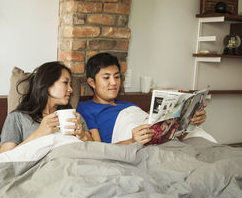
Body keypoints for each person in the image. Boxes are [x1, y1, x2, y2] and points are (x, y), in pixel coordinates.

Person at [77, 52, 207, 145]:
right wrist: (132, 141)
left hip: (162, 142)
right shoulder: (86, 107)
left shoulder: (129, 105)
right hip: (137, 147)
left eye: (117, 77)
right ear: (91, 82)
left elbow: (168, 135)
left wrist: (191, 122)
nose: (114, 82)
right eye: (106, 78)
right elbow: (98, 149)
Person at [0, 61, 93, 154]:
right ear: (47, 84)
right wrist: (39, 133)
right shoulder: (17, 118)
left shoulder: (73, 117)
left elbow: (94, 150)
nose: (71, 90)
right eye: (65, 83)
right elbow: (3, 158)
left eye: (71, 85)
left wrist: (83, 136)